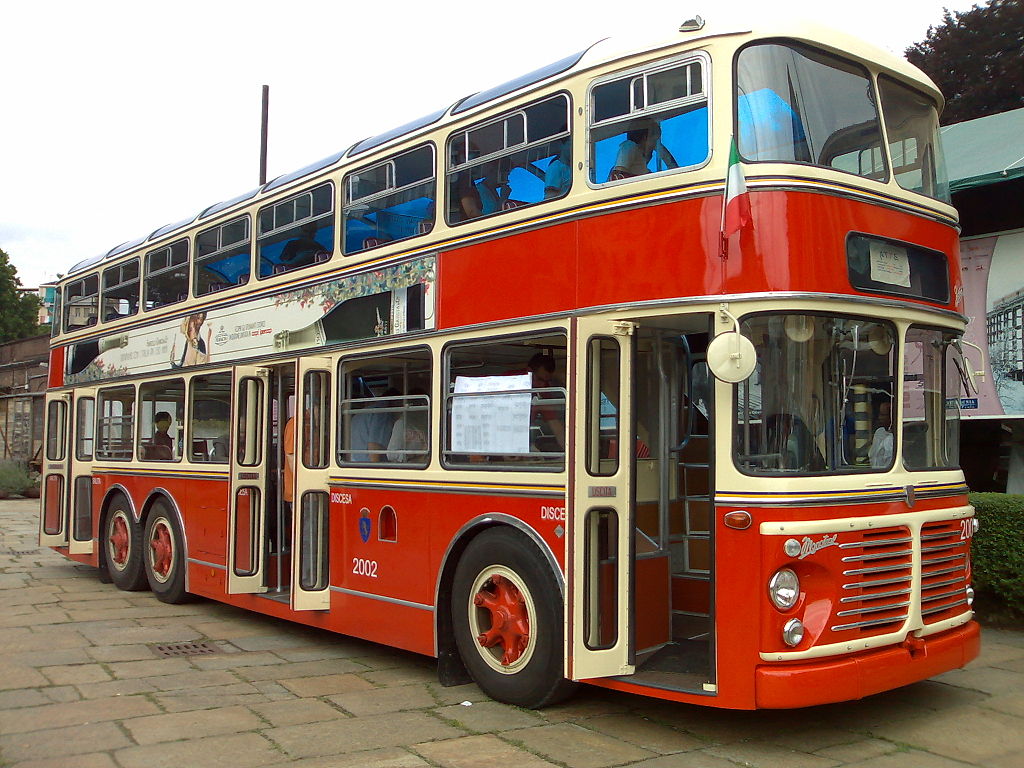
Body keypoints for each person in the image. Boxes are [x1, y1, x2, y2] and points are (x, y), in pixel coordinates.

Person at [609, 121, 678, 181]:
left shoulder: (644, 171)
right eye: (654, 140)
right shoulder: (630, 146)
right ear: (645, 137)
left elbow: (675, 171)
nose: (655, 146)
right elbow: (618, 176)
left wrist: (662, 151)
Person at [527, 353, 565, 452]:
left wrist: (570, 452)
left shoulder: (544, 393)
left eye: (547, 381)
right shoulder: (509, 380)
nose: (542, 385)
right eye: (540, 379)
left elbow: (556, 427)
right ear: (529, 371)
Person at [350, 387, 399, 462]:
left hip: (353, 462)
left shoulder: (362, 413)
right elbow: (374, 450)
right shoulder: (383, 412)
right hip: (367, 466)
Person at [386, 388, 429, 463]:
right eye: (419, 404)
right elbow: (391, 454)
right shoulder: (401, 424)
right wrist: (413, 454)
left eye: (424, 405)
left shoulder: (428, 423)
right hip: (409, 467)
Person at [869, 398, 894, 469]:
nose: (880, 418)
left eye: (883, 415)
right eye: (880, 414)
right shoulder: (879, 433)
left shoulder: (891, 439)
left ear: (891, 417)